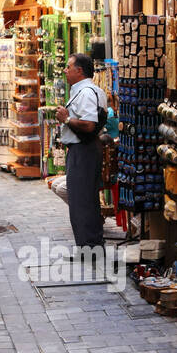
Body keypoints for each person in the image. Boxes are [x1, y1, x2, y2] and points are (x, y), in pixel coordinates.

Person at [55, 53, 106, 252]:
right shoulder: (90, 90)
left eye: (69, 67)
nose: (65, 71)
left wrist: (66, 119)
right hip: (85, 149)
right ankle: (91, 244)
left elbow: (88, 124)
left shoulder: (85, 92)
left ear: (79, 70)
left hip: (83, 149)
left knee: (81, 200)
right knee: (86, 198)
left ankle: (89, 246)